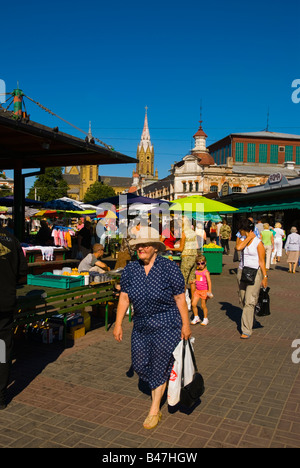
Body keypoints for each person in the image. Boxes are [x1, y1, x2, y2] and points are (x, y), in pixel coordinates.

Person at [113, 227, 191, 430]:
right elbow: (124, 297)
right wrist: (119, 323)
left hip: (166, 324)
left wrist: (186, 324)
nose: (141, 248)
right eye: (139, 245)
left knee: (158, 365)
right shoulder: (131, 269)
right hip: (141, 325)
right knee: (139, 364)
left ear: (156, 248)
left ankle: (154, 410)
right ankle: (161, 381)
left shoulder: (169, 268)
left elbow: (180, 298)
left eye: (145, 245)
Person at [0, 227, 28, 409]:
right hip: (5, 302)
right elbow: (22, 276)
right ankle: (1, 396)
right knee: (2, 350)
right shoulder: (11, 239)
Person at [235, 219, 268, 339]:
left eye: (241, 230)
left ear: (245, 230)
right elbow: (238, 247)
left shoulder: (258, 243)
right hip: (242, 271)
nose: (239, 233)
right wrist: (249, 237)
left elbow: (262, 261)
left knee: (249, 301)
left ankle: (246, 329)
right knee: (243, 299)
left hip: (255, 272)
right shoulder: (243, 239)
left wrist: (265, 276)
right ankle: (251, 319)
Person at [190, 255, 213, 326]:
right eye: (198, 264)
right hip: (198, 291)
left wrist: (209, 290)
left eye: (202, 263)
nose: (200, 265)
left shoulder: (206, 272)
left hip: (204, 291)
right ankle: (196, 317)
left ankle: (205, 318)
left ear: (205, 263)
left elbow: (209, 281)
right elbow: (198, 279)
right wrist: (194, 280)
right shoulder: (196, 271)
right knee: (193, 304)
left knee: (203, 305)